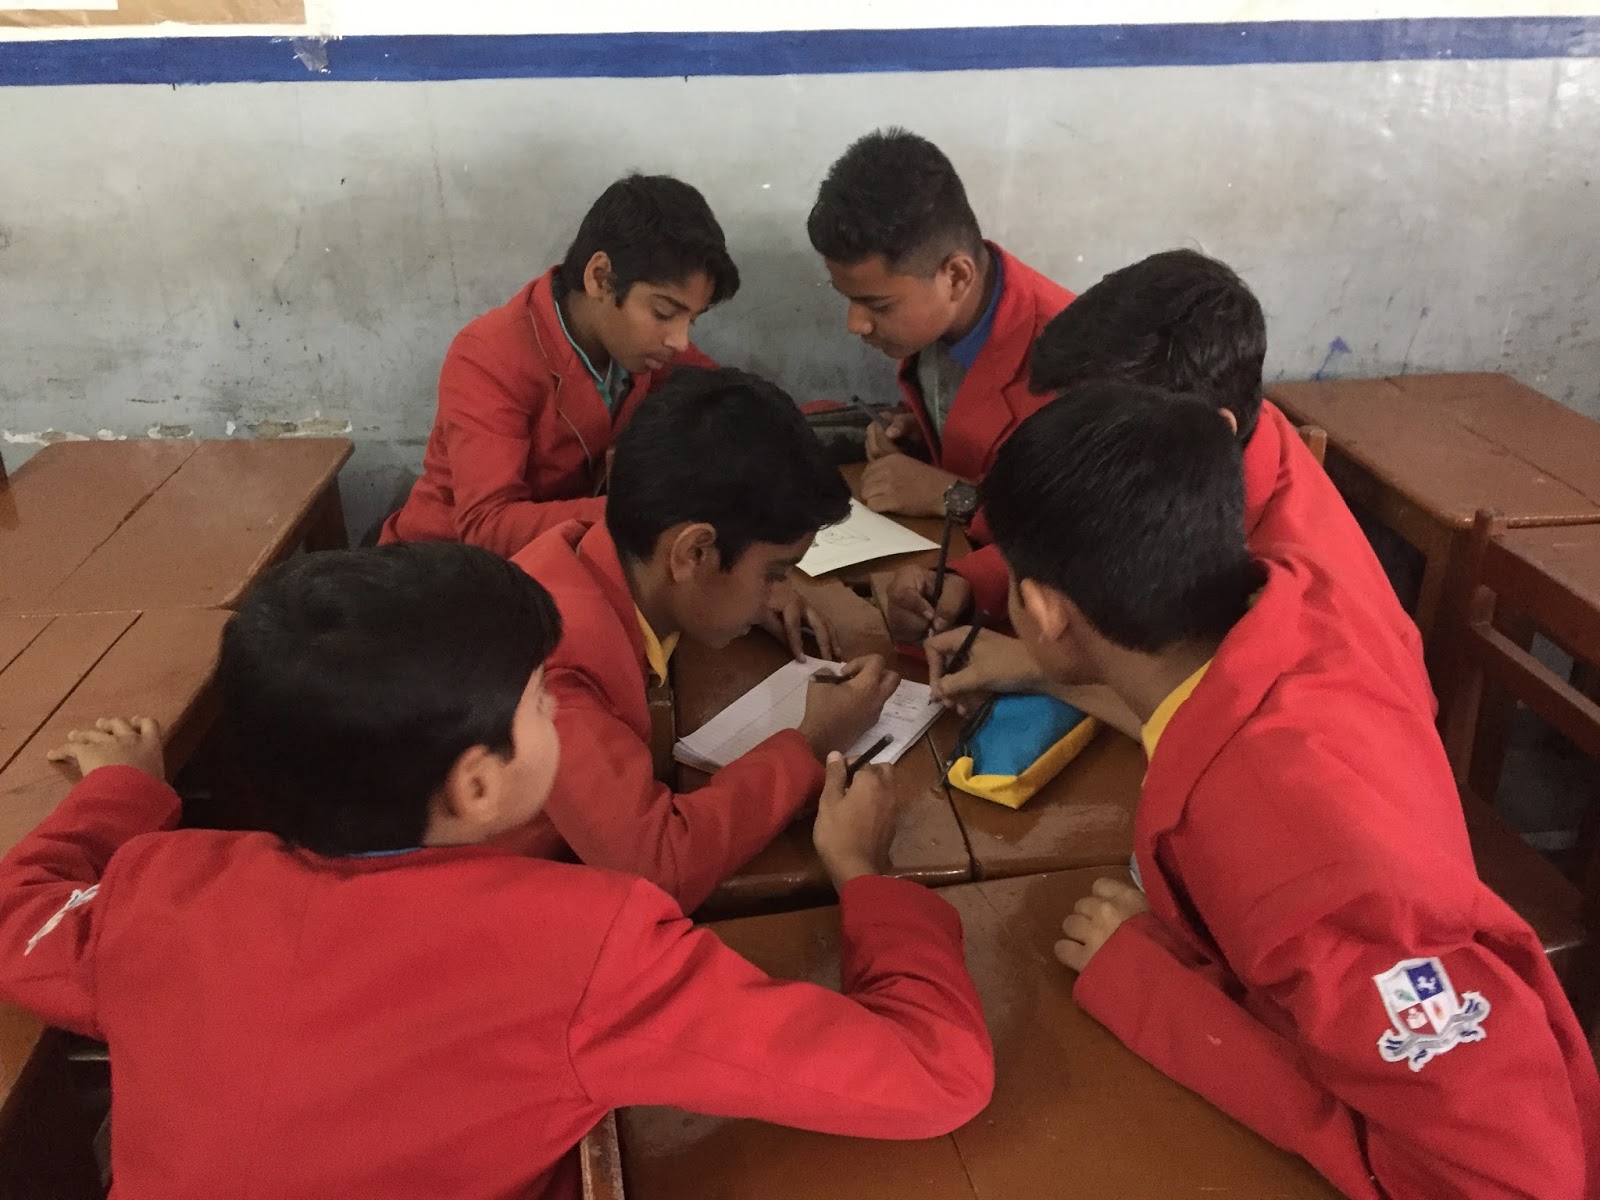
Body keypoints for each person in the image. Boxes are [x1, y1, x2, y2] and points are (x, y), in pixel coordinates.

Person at [0, 543, 994, 1199]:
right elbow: (933, 1077)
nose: (557, 713)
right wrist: (868, 879)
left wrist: (124, 794)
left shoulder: (157, 890)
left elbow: (19, 919)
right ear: (476, 784)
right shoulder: (582, 944)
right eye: (541, 702)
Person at [981, 382, 1599, 1198]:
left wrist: (1165, 994)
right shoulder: (1292, 609)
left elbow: (1514, 1179)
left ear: (1041, 610)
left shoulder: (1297, 849)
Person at [892, 249, 1430, 730]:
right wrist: (973, 582)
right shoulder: (1230, 433)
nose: (1076, 451)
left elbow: (1213, 726)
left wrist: (1041, 670)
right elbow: (1102, 535)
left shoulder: (1298, 605)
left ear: (1212, 428)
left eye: (1095, 431)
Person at [505, 366, 900, 911]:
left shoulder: (594, 554)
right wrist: (811, 742)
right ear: (693, 553)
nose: (781, 592)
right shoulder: (551, 675)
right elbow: (657, 864)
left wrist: (738, 594)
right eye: (776, 573)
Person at [381, 174, 736, 557]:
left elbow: (730, 400)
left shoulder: (645, 344)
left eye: (691, 320)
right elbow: (487, 525)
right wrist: (644, 513)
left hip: (555, 555)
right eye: (664, 312)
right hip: (443, 567)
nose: (680, 341)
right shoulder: (489, 356)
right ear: (600, 278)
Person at [807, 128, 1072, 522]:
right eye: (848, 298)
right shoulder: (945, 318)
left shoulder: (1073, 366)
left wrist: (957, 497)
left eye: (878, 305)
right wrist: (928, 434)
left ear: (956, 277)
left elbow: (1091, 531)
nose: (856, 323)